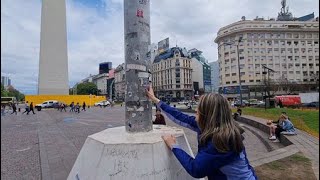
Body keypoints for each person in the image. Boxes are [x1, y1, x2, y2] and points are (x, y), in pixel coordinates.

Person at [146, 86, 257, 179]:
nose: (195, 111)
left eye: (199, 109)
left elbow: (196, 170)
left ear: (207, 115)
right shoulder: (212, 127)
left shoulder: (222, 141)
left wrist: (174, 146)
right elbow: (180, 116)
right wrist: (155, 99)